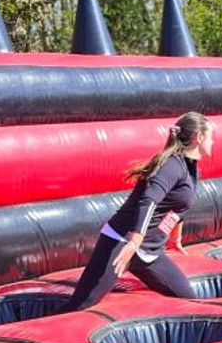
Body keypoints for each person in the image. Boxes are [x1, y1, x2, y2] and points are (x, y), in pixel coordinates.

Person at [63, 112, 213, 310]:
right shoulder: (172, 166)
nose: (213, 142)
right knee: (82, 304)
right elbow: (148, 200)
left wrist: (175, 239)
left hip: (149, 252)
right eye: (211, 136)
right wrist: (134, 242)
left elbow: (178, 207)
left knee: (187, 298)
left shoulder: (192, 169)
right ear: (199, 137)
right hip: (121, 242)